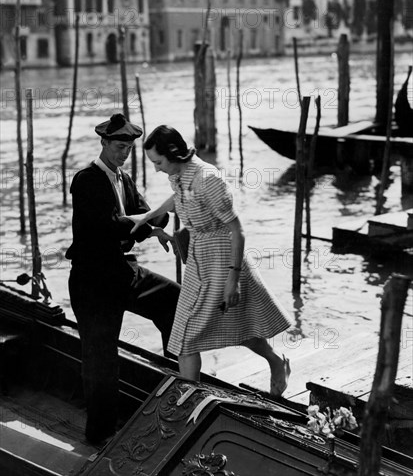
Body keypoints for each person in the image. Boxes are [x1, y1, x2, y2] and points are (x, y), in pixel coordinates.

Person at [126, 125, 293, 396]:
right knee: (193, 335)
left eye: (158, 162)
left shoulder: (208, 178)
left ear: (173, 153)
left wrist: (233, 280)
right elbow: (178, 198)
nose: (155, 169)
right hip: (198, 259)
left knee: (201, 336)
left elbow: (238, 231)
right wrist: (148, 216)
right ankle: (191, 398)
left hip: (223, 259)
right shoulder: (179, 174)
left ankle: (272, 363)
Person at [66, 114, 180, 446]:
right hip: (91, 280)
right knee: (101, 358)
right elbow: (113, 224)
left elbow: (146, 213)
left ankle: (176, 383)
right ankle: (100, 435)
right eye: (118, 148)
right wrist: (147, 221)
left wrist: (155, 222)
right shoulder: (86, 180)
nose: (123, 154)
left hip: (120, 270)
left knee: (173, 299)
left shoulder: (124, 179)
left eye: (128, 149)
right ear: (103, 143)